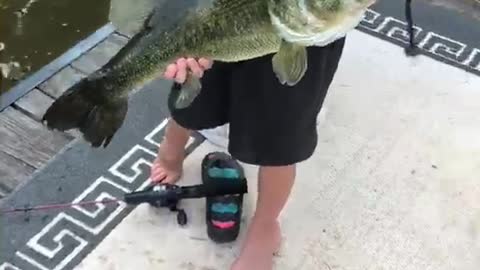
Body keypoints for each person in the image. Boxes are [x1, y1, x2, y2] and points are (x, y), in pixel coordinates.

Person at [150, 36, 346, 269]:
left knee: (280, 137)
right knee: (196, 84)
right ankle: (172, 149)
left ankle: (265, 228)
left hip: (302, 34)